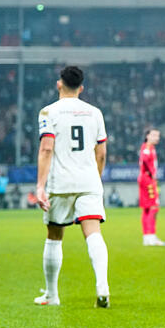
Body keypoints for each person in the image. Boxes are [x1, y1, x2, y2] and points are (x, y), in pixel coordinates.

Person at [34, 66, 110, 308]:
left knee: (55, 235)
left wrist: (40, 186)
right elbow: (102, 153)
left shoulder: (48, 112)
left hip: (61, 183)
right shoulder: (95, 112)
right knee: (93, 233)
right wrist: (95, 180)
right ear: (81, 88)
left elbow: (46, 148)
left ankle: (52, 295)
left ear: (59, 84)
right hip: (88, 181)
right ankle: (102, 288)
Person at [139, 128, 165, 246]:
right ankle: (152, 237)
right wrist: (151, 174)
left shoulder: (147, 147)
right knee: (154, 207)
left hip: (144, 178)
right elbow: (145, 159)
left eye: (158, 136)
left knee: (146, 209)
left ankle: (147, 237)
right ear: (147, 136)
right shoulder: (147, 148)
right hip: (148, 179)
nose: (157, 138)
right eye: (154, 135)